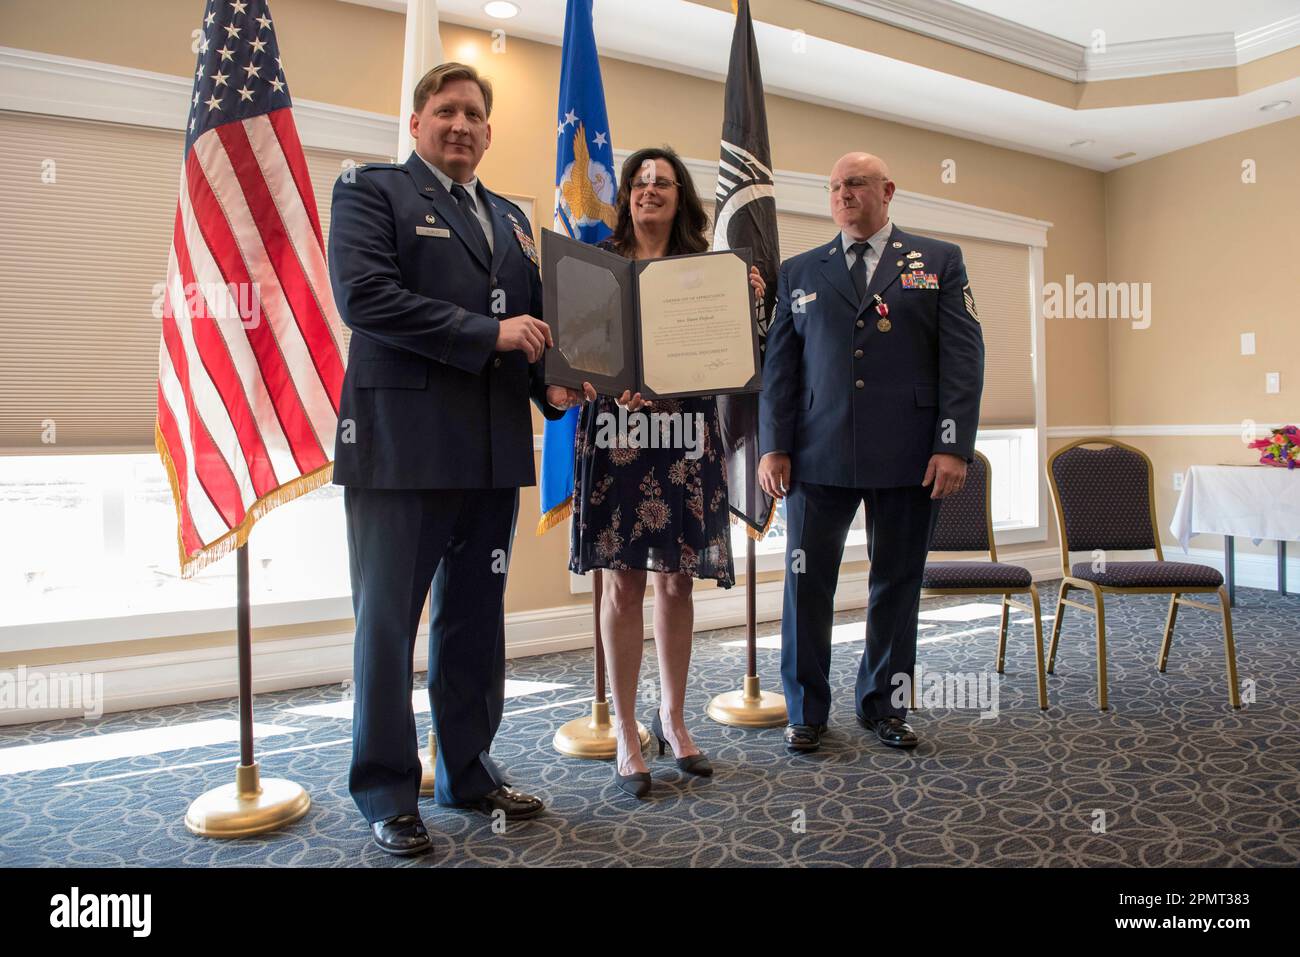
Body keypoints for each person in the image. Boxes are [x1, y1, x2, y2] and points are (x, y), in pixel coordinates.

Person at [329, 62, 574, 856]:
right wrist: (490, 335)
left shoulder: (508, 218)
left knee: (473, 624)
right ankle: (386, 792)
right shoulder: (371, 192)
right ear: (416, 122)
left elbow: (537, 323)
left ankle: (467, 769)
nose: (461, 124)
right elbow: (365, 298)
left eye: (474, 113)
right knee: (388, 627)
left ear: (490, 132)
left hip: (491, 453)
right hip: (399, 451)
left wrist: (560, 388)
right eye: (446, 111)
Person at [549, 147, 765, 798]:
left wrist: (746, 300)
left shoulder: (708, 270)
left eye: (662, 182)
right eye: (639, 182)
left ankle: (671, 718)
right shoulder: (597, 269)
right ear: (628, 197)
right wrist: (609, 386)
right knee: (624, 586)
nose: (648, 190)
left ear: (681, 196)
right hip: (617, 436)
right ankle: (624, 730)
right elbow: (576, 356)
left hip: (684, 436)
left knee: (677, 582)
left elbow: (738, 355)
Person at [757, 152, 984, 753]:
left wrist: (953, 445)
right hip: (817, 454)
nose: (842, 194)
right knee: (807, 585)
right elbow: (779, 367)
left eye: (854, 183)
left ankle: (885, 705)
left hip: (910, 455)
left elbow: (963, 359)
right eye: (833, 186)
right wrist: (774, 444)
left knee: (897, 582)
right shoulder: (799, 272)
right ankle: (805, 709)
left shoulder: (939, 261)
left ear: (887, 190)